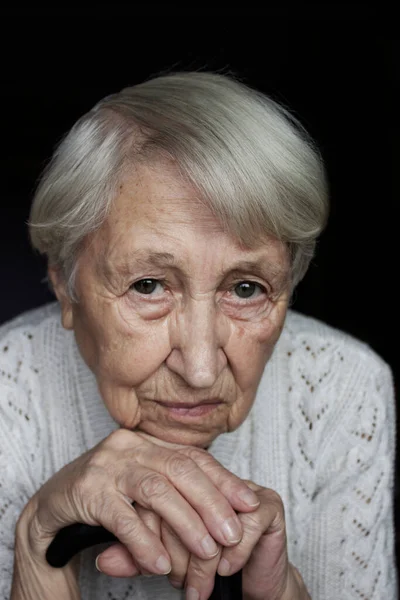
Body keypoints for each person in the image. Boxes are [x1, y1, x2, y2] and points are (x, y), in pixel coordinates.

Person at [0, 70, 396, 600]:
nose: (202, 369)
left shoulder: (342, 387)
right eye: (148, 285)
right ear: (64, 286)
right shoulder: (7, 392)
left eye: (247, 289)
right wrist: (36, 547)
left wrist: (280, 593)